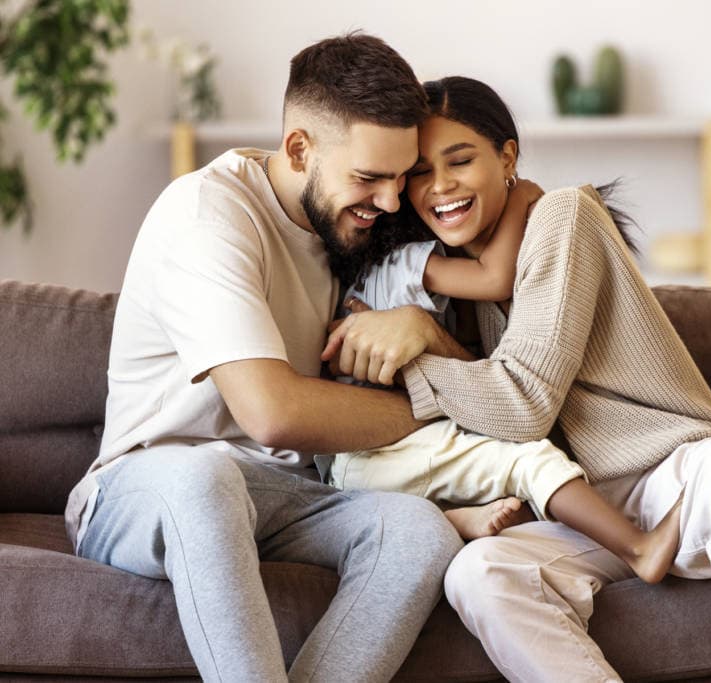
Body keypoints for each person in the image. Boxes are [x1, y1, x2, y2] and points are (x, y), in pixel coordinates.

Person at [323, 76, 711, 682]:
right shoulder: (454, 272)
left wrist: (412, 350)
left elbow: (523, 404)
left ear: (507, 157)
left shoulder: (563, 215)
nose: (439, 187)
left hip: (672, 478)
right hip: (584, 509)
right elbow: (493, 396)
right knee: (479, 573)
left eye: (460, 160)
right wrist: (424, 331)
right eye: (419, 173)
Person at [63, 34, 463, 683]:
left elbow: (483, 357)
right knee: (207, 477)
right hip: (144, 489)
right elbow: (271, 412)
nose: (392, 201)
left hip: (287, 492)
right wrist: (424, 408)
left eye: (400, 176)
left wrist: (420, 326)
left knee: (420, 531)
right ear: (301, 148)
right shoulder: (208, 212)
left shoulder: (358, 226)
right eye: (369, 177)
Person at [324, 178, 686, 584]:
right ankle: (639, 549)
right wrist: (518, 196)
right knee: (529, 459)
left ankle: (455, 519)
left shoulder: (367, 273)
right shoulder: (405, 262)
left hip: (364, 466)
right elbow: (492, 276)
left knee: (490, 467)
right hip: (372, 457)